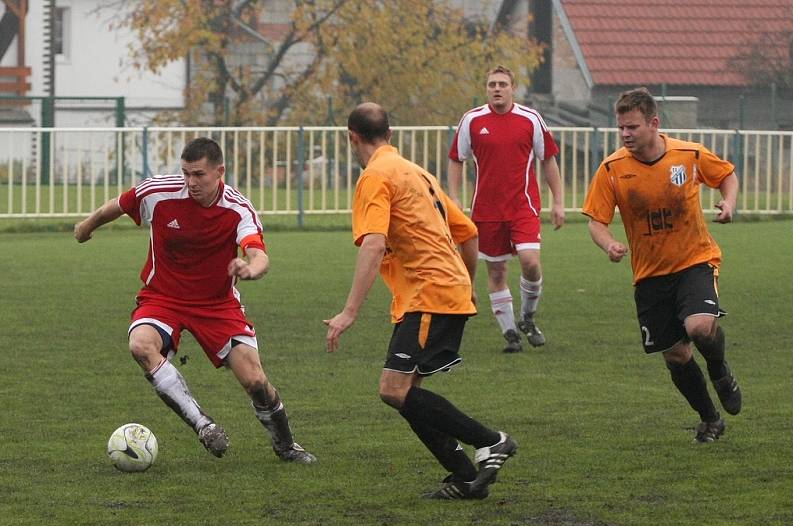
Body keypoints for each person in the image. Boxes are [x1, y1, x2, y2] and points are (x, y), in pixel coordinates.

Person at [74, 137, 315, 463]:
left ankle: (286, 445)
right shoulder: (158, 192)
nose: (191, 182)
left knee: (255, 380)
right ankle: (203, 425)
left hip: (217, 304)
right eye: (186, 173)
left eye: (199, 175)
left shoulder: (237, 208)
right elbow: (114, 207)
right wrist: (85, 228)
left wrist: (251, 268)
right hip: (163, 297)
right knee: (140, 345)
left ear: (220, 172)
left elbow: (258, 253)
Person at [325, 102, 517, 499]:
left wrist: (349, 312)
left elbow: (374, 244)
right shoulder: (416, 172)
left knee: (394, 389)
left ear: (352, 137)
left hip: (429, 294)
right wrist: (465, 282)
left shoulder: (376, 176)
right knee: (405, 393)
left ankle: (491, 441)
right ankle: (466, 477)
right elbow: (467, 232)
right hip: (439, 291)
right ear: (390, 134)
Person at [582, 87, 743, 443]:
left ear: (653, 124)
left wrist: (728, 203)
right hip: (650, 275)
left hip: (694, 260)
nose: (625, 134)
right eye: (621, 127)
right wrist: (608, 243)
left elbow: (727, 175)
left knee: (700, 327)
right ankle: (710, 418)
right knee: (676, 355)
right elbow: (596, 220)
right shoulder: (612, 168)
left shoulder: (688, 155)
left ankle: (720, 370)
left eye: (632, 127)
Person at [448, 65, 565, 353]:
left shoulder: (531, 119)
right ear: (486, 89)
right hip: (486, 211)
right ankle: (511, 333)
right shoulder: (472, 120)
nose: (497, 89)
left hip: (523, 206)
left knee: (530, 262)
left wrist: (558, 201)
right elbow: (456, 159)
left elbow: (548, 159)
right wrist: (454, 198)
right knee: (497, 271)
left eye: (502, 84)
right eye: (492, 84)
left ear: (513, 87)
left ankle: (528, 316)